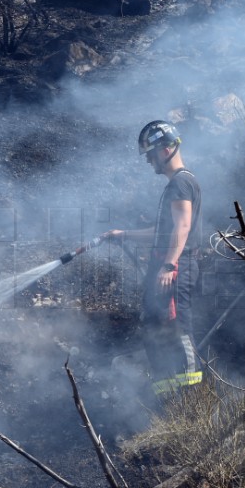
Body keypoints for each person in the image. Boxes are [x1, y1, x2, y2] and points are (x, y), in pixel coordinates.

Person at [104, 120, 203, 397]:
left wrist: (169, 266)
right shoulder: (177, 185)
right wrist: (125, 234)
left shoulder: (181, 184)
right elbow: (164, 232)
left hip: (176, 267)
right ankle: (168, 396)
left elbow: (182, 228)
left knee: (178, 327)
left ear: (164, 149)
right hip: (168, 265)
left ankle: (193, 400)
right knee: (154, 327)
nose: (149, 162)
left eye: (150, 155)